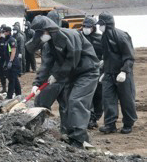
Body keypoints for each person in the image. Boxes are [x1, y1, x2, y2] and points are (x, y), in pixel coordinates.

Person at [30, 15, 99, 148]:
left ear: (48, 29)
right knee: (67, 103)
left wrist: (57, 75)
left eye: (42, 32)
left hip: (87, 72)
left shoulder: (70, 35)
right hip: (71, 74)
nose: (41, 36)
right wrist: (37, 84)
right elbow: (46, 65)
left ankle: (78, 140)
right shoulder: (49, 44)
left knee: (76, 100)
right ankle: (69, 134)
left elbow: (73, 59)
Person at [97, 12, 137, 134]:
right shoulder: (104, 36)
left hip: (122, 73)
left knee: (127, 99)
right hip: (109, 73)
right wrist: (104, 70)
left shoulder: (121, 36)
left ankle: (128, 124)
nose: (99, 27)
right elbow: (107, 55)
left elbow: (129, 57)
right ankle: (110, 124)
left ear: (106, 24)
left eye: (101, 24)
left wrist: (124, 71)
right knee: (108, 98)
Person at [81, 16, 104, 129]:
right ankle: (90, 117)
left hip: (99, 69)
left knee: (98, 95)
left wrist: (103, 61)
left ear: (94, 27)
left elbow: (107, 52)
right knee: (86, 95)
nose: (86, 29)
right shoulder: (79, 37)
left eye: (88, 27)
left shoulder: (100, 38)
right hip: (84, 70)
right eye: (84, 26)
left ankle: (96, 117)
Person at [2, 26, 21, 99]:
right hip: (9, 62)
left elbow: (13, 51)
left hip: (14, 63)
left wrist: (10, 61)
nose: (3, 33)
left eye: (4, 32)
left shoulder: (11, 40)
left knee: (12, 80)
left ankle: (9, 96)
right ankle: (19, 94)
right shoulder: (7, 40)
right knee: (14, 79)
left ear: (8, 32)